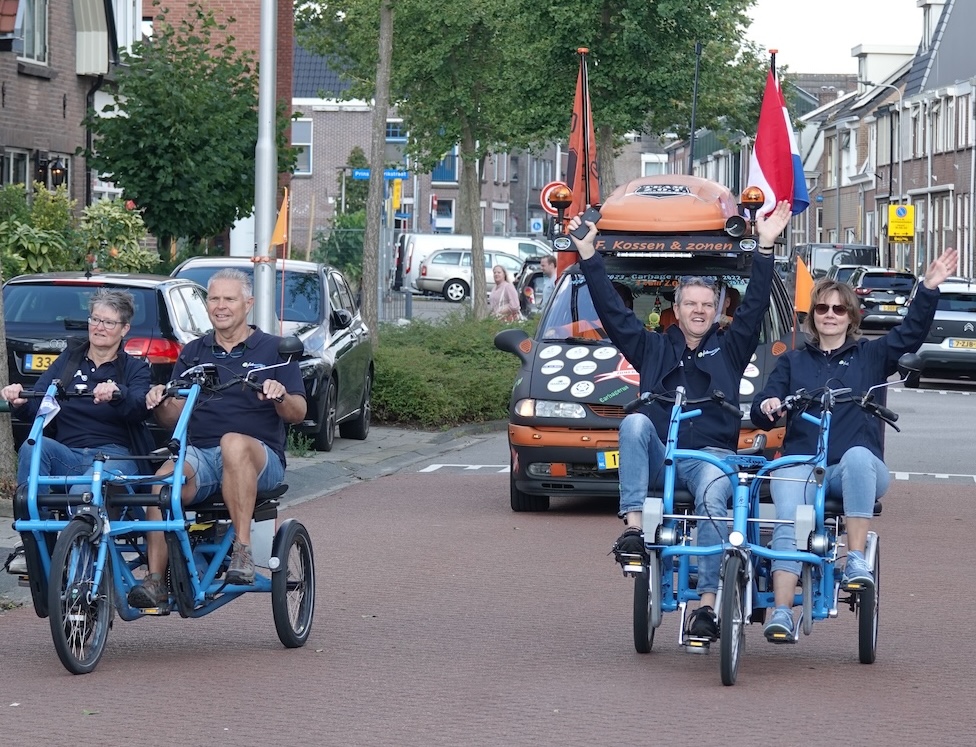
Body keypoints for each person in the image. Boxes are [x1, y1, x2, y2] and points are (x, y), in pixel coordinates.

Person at [568, 201, 793, 640]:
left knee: (712, 493)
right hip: (662, 457)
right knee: (634, 423)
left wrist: (765, 247)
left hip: (709, 458)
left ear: (718, 309)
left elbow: (754, 309)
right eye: (691, 303)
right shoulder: (652, 347)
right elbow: (613, 313)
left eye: (707, 304)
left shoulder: (730, 349)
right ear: (677, 306)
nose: (699, 311)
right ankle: (634, 532)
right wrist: (589, 253)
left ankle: (706, 606)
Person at [751, 247, 957, 643]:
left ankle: (856, 560)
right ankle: (781, 611)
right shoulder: (793, 362)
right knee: (789, 519)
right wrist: (768, 406)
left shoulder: (871, 355)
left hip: (851, 470)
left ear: (851, 316)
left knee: (860, 456)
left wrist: (928, 288)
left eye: (839, 309)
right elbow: (764, 409)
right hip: (801, 465)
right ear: (813, 316)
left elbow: (910, 333)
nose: (830, 314)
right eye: (822, 308)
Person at [126, 269, 307, 608]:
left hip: (259, 458)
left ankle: (242, 551)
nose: (220, 306)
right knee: (162, 482)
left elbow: (298, 412)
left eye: (229, 299)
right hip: (202, 455)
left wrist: (280, 394)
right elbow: (173, 418)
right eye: (214, 299)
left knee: (232, 442)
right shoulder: (193, 351)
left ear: (248, 304)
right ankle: (155, 580)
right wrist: (160, 401)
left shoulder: (274, 350)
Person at [2, 289, 153, 575]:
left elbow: (139, 408)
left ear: (124, 329)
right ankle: (33, 542)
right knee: (33, 447)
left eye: (109, 322)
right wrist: (20, 401)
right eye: (95, 319)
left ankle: (80, 568)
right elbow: (40, 405)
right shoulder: (68, 361)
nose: (99, 327)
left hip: (115, 458)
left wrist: (118, 393)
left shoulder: (134, 368)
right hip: (69, 454)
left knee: (83, 490)